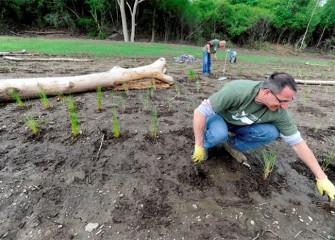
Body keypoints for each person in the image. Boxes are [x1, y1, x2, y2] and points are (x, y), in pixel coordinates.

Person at [191, 72, 335, 201]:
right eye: (281, 101)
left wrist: (321, 176)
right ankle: (205, 145)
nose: (284, 106)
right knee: (218, 134)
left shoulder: (279, 112)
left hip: (240, 124)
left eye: (288, 101)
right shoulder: (237, 90)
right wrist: (199, 144)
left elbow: (298, 143)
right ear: (267, 92)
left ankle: (231, 145)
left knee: (272, 132)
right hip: (219, 118)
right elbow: (200, 112)